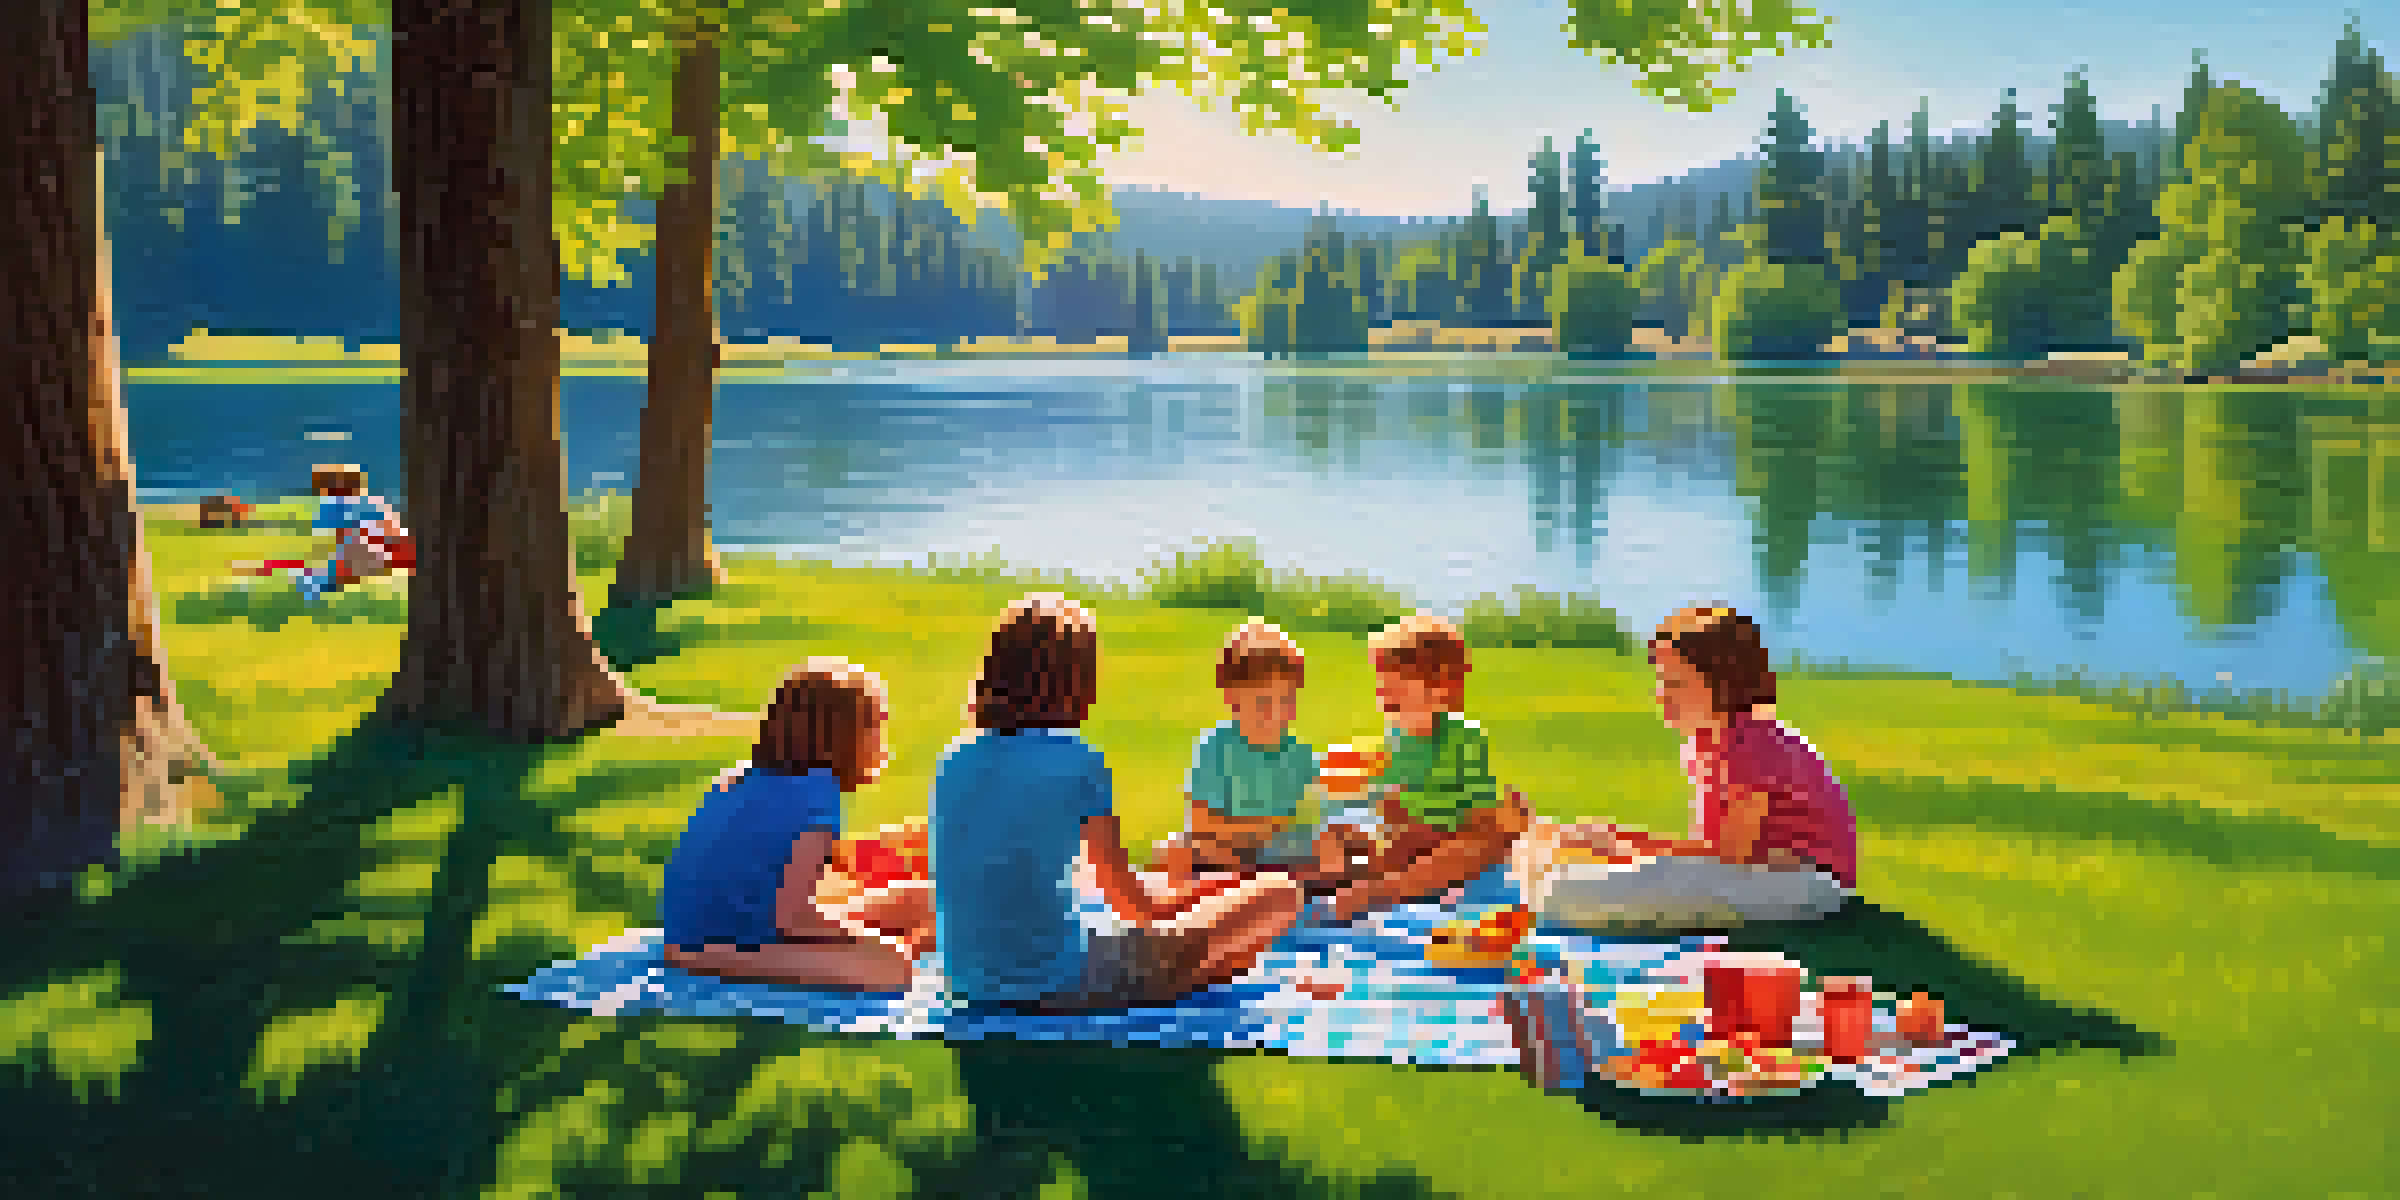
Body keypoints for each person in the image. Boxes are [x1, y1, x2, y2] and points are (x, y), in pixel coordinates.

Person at [931, 593, 1304, 1012]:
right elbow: (1132, 906)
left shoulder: (953, 760)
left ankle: (1183, 972)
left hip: (969, 983)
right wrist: (1205, 894)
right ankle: (1181, 980)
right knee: (1278, 894)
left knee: (1177, 910)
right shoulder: (1078, 761)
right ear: (1076, 683)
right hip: (1063, 984)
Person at [1521, 605, 1855, 927]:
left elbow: (1729, 855)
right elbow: (1718, 852)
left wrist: (1626, 846)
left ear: (1724, 684)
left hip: (1805, 885)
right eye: (1661, 681)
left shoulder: (1749, 744)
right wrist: (1620, 840)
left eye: (1676, 684)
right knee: (1598, 878)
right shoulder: (1709, 741)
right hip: (1763, 875)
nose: (1662, 695)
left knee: (1577, 891)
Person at [658, 659, 923, 992]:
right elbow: (791, 918)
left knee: (915, 901)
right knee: (893, 965)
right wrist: (865, 937)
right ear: (843, 736)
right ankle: (723, 963)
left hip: (700, 926)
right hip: (729, 938)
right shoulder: (819, 794)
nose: (881, 742)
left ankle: (709, 955)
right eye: (876, 726)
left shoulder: (746, 776)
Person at [1319, 612, 1531, 925]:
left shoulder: (1464, 740)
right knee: (1339, 836)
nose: (1384, 702)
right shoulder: (1396, 739)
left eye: (1397, 694)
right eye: (1382, 692)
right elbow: (1389, 798)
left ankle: (1386, 891)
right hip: (1404, 842)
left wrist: (1446, 829)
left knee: (1478, 845)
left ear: (1441, 691)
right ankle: (1358, 883)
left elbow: (1480, 817)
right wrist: (1386, 808)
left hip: (1449, 839)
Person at [1153, 620, 1374, 894]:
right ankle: (1188, 902)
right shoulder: (1217, 747)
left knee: (1342, 843)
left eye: (1286, 701)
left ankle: (1300, 891)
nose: (1276, 715)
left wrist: (1353, 783)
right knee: (1173, 849)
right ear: (1232, 698)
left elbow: (1325, 800)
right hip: (1226, 852)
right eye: (1263, 703)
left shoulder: (1298, 753)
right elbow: (1201, 823)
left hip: (1281, 854)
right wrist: (1263, 827)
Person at [299, 463, 413, 603]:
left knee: (319, 575)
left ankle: (321, 586)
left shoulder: (340, 505)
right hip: (399, 555)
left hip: (384, 554)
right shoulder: (373, 502)